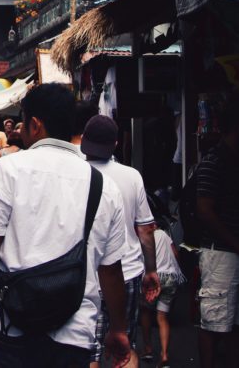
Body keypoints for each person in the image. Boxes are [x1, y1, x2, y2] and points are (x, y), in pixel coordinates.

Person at [0, 84, 131, 368]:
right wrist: (119, 329)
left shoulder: (8, 171)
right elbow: (110, 269)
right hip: (74, 337)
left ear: (35, 124)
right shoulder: (103, 186)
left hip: (9, 330)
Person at [81, 115, 161, 367]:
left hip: (85, 275)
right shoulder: (132, 176)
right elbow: (146, 230)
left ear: (84, 141)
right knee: (125, 346)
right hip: (126, 273)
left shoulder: (74, 174)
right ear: (115, 144)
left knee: (88, 350)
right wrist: (151, 270)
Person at [196, 98, 239, 368]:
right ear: (238, 126)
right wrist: (237, 244)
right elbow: (205, 211)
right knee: (213, 322)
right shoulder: (213, 162)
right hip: (222, 254)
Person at [139, 220, 185, 368]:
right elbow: (176, 254)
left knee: (145, 311)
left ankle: (147, 349)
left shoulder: (143, 237)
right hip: (170, 277)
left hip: (154, 278)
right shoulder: (164, 235)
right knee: (162, 317)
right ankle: (164, 354)